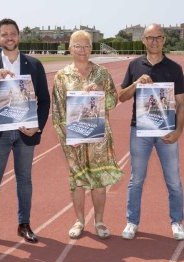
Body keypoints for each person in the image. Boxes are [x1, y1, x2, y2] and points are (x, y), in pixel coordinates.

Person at [0, 18, 50, 248]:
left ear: (19, 36)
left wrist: (39, 125)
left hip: (26, 132)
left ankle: (24, 224)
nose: (9, 38)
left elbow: (44, 100)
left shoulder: (34, 64)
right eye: (4, 34)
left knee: (25, 180)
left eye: (12, 33)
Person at [118, 23, 184, 240]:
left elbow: (181, 103)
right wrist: (137, 84)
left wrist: (178, 132)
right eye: (150, 38)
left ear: (164, 40)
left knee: (173, 179)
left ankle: (176, 222)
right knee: (136, 179)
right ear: (143, 40)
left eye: (158, 37)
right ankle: (132, 222)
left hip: (166, 132)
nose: (154, 41)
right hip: (140, 131)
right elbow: (121, 96)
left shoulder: (174, 68)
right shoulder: (134, 65)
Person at [52, 30, 123, 239]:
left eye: (86, 46)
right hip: (74, 139)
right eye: (77, 46)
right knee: (78, 182)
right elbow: (57, 111)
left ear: (91, 48)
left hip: (99, 137)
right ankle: (79, 220)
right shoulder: (61, 76)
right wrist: (67, 138)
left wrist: (100, 91)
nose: (82, 50)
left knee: (99, 181)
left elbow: (112, 101)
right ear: (70, 49)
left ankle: (99, 221)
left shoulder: (102, 73)